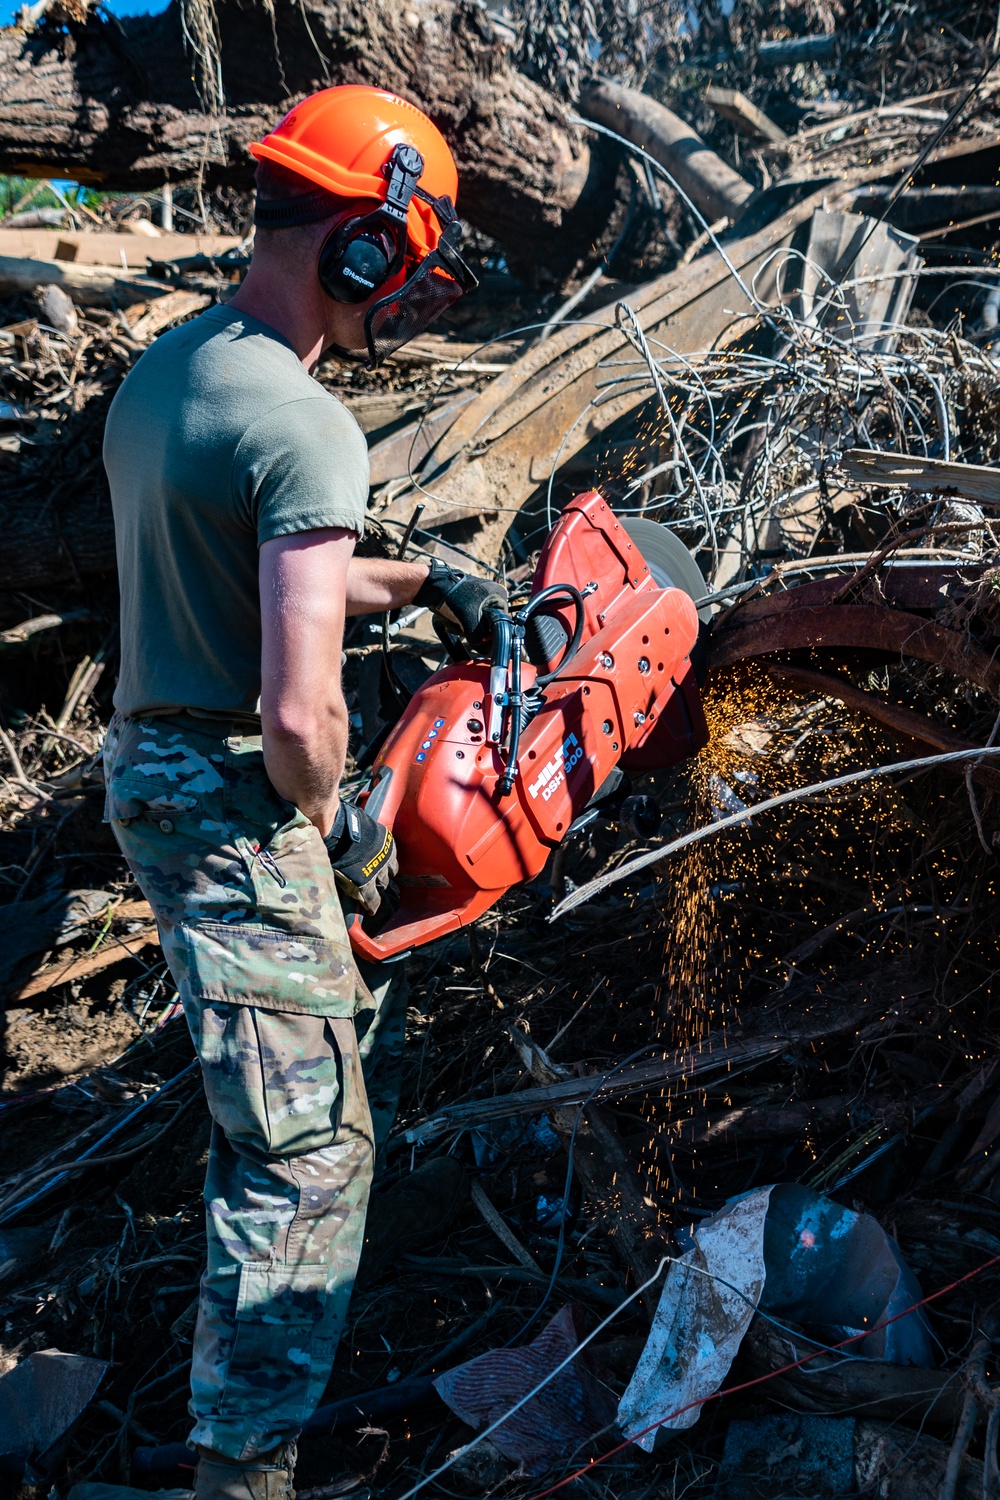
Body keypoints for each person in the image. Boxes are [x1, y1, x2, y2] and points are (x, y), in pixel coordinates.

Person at [102, 84, 505, 1500]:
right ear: (361, 241)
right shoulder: (307, 424)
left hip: (149, 763)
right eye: (402, 261)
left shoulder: (173, 371)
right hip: (233, 789)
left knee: (275, 1093)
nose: (401, 294)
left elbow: (247, 557)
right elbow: (298, 709)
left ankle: (243, 1393)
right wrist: (333, 829)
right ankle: (245, 1464)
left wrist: (423, 577)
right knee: (307, 1151)